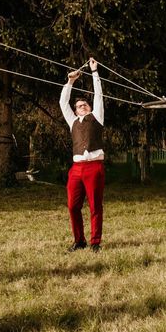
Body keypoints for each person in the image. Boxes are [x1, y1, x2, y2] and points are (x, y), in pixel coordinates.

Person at [59, 58, 105, 253]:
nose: (82, 106)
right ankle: (79, 240)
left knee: (95, 206)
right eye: (79, 106)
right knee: (72, 206)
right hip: (76, 169)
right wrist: (70, 81)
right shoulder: (72, 121)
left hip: (94, 166)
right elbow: (63, 102)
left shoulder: (97, 116)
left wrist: (94, 72)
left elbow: (98, 96)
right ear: (76, 110)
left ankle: (95, 242)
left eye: (85, 104)